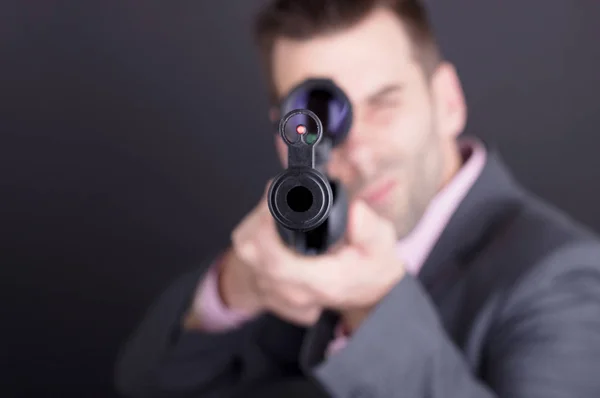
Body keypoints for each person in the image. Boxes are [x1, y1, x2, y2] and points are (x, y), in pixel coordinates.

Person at [114, 0, 600, 397]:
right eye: (321, 120)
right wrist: (238, 287)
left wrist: (373, 304)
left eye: (385, 102)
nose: (360, 152)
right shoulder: (296, 253)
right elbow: (143, 383)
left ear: (447, 101)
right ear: (288, 137)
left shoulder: (562, 276)